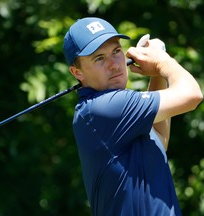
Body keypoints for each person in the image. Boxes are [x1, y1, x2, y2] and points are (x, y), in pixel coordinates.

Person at [63, 17, 203, 215]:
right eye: (99, 58)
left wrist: (156, 73)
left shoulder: (115, 112)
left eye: (116, 51)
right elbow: (193, 95)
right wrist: (163, 62)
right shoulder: (102, 108)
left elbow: (159, 140)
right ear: (77, 72)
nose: (114, 64)